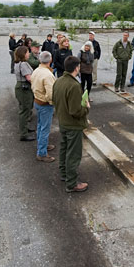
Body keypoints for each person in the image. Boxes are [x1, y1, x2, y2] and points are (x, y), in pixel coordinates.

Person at [52, 56, 90, 193]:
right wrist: (86, 107)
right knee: (73, 154)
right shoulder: (74, 85)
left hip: (62, 121)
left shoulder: (58, 81)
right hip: (73, 125)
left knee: (64, 149)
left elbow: (54, 100)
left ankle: (64, 174)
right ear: (76, 68)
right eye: (79, 66)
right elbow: (75, 111)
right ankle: (72, 183)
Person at [31, 51, 57, 162]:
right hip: (45, 104)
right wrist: (53, 102)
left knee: (41, 125)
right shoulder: (48, 75)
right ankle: (41, 153)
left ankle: (42, 145)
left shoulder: (36, 70)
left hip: (37, 101)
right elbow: (51, 94)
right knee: (45, 128)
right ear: (50, 60)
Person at [14, 46, 35, 141]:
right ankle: (24, 134)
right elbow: (29, 78)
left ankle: (25, 127)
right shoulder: (23, 64)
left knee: (27, 108)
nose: (29, 54)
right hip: (24, 88)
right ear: (23, 54)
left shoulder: (21, 63)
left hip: (23, 87)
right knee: (25, 110)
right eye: (27, 52)